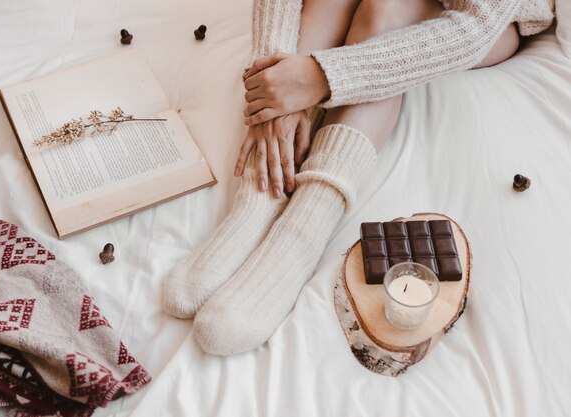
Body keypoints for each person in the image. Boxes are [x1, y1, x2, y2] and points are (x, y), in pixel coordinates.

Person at [163, 0, 555, 355]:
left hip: (482, 20)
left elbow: (476, 26)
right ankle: (261, 193)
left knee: (384, 13)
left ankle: (308, 222)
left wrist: (321, 77)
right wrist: (277, 91)